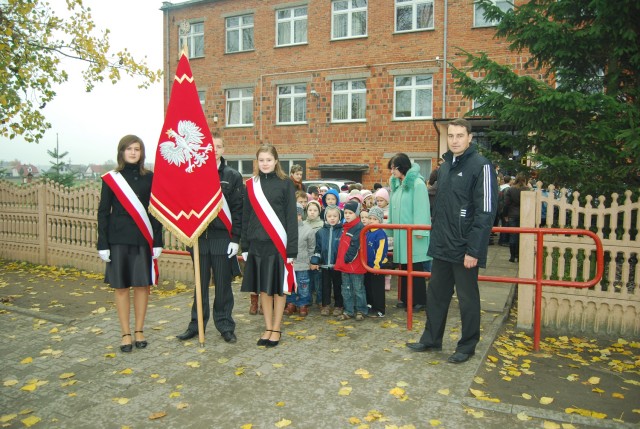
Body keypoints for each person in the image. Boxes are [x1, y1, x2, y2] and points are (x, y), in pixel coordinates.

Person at [407, 118, 498, 364]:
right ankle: (431, 338)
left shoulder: (481, 166)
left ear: (470, 138)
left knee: (468, 300)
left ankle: (467, 346)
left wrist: (474, 250)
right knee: (436, 295)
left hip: (465, 247)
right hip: (442, 245)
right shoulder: (445, 167)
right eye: (451, 136)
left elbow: (486, 212)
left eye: (460, 135)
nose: (455, 140)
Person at [97, 135, 163, 352]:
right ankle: (125, 333)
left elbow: (155, 212)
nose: (133, 152)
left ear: (142, 153)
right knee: (122, 287)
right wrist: (103, 243)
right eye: (129, 149)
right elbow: (103, 213)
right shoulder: (111, 179)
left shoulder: (150, 178)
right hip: (118, 241)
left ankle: (139, 330)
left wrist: (157, 240)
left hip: (142, 240)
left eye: (137, 149)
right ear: (122, 152)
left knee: (142, 286)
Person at [176, 135, 243, 343]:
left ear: (224, 150)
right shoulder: (192, 173)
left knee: (223, 284)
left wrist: (235, 239)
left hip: (222, 238)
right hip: (199, 238)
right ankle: (196, 325)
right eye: (210, 146)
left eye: (219, 146)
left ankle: (225, 325)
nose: (214, 150)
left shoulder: (232, 176)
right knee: (200, 284)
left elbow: (238, 209)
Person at [241, 144, 298, 348]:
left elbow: (291, 218)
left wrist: (292, 249)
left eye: (268, 160)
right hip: (257, 245)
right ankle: (267, 327)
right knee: (263, 288)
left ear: (276, 161)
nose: (265, 163)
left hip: (278, 245)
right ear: (257, 162)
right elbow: (246, 216)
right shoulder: (251, 185)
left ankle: (276, 328)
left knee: (279, 289)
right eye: (261, 160)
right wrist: (245, 245)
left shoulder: (285, 184)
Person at [388, 153, 431, 311]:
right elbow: (393, 209)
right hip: (402, 233)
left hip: (413, 234)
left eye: (394, 168)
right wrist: (390, 229)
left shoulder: (417, 184)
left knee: (415, 266)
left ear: (402, 167)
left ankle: (419, 300)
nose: (392, 171)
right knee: (404, 267)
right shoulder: (398, 185)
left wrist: (420, 230)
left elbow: (421, 208)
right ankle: (406, 298)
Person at [334, 201, 367, 321]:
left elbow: (355, 245)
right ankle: (349, 310)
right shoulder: (345, 226)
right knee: (346, 289)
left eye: (350, 213)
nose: (347, 215)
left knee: (358, 289)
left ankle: (361, 310)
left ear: (356, 214)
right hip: (345, 264)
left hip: (354, 264)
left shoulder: (359, 227)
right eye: (346, 212)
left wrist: (347, 259)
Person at [310, 205, 343, 316]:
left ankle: (339, 305)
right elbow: (317, 248)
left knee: (338, 286)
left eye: (335, 216)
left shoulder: (342, 231)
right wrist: (315, 261)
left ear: (339, 217)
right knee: (325, 286)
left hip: (337, 266)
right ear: (325, 217)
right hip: (324, 265)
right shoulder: (320, 232)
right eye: (329, 216)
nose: (332, 218)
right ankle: (326, 305)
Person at [284, 204, 315, 316]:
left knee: (303, 285)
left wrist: (311, 260)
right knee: (290, 284)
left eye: (297, 215)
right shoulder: (285, 229)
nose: (294, 217)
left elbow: (311, 248)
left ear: (301, 215)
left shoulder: (308, 230)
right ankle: (291, 303)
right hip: (289, 263)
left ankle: (303, 303)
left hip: (303, 263)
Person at [365, 206, 388, 318]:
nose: (372, 221)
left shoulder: (380, 234)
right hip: (367, 265)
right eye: (370, 218)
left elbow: (381, 251)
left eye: (375, 219)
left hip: (377, 266)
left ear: (379, 220)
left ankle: (380, 309)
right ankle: (370, 305)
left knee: (377, 288)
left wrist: (377, 265)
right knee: (368, 286)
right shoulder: (367, 232)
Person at [504, 173, 528, 263]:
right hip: (524, 215)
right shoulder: (527, 190)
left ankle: (512, 256)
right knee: (522, 235)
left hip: (512, 214)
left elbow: (506, 204)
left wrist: (505, 215)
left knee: (513, 236)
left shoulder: (511, 190)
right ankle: (519, 255)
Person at [304, 200, 324, 306]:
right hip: (305, 256)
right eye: (310, 210)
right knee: (307, 280)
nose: (312, 212)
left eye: (315, 210)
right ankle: (307, 300)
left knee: (318, 280)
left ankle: (320, 301)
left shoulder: (322, 225)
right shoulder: (302, 224)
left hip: (318, 256)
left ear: (319, 211)